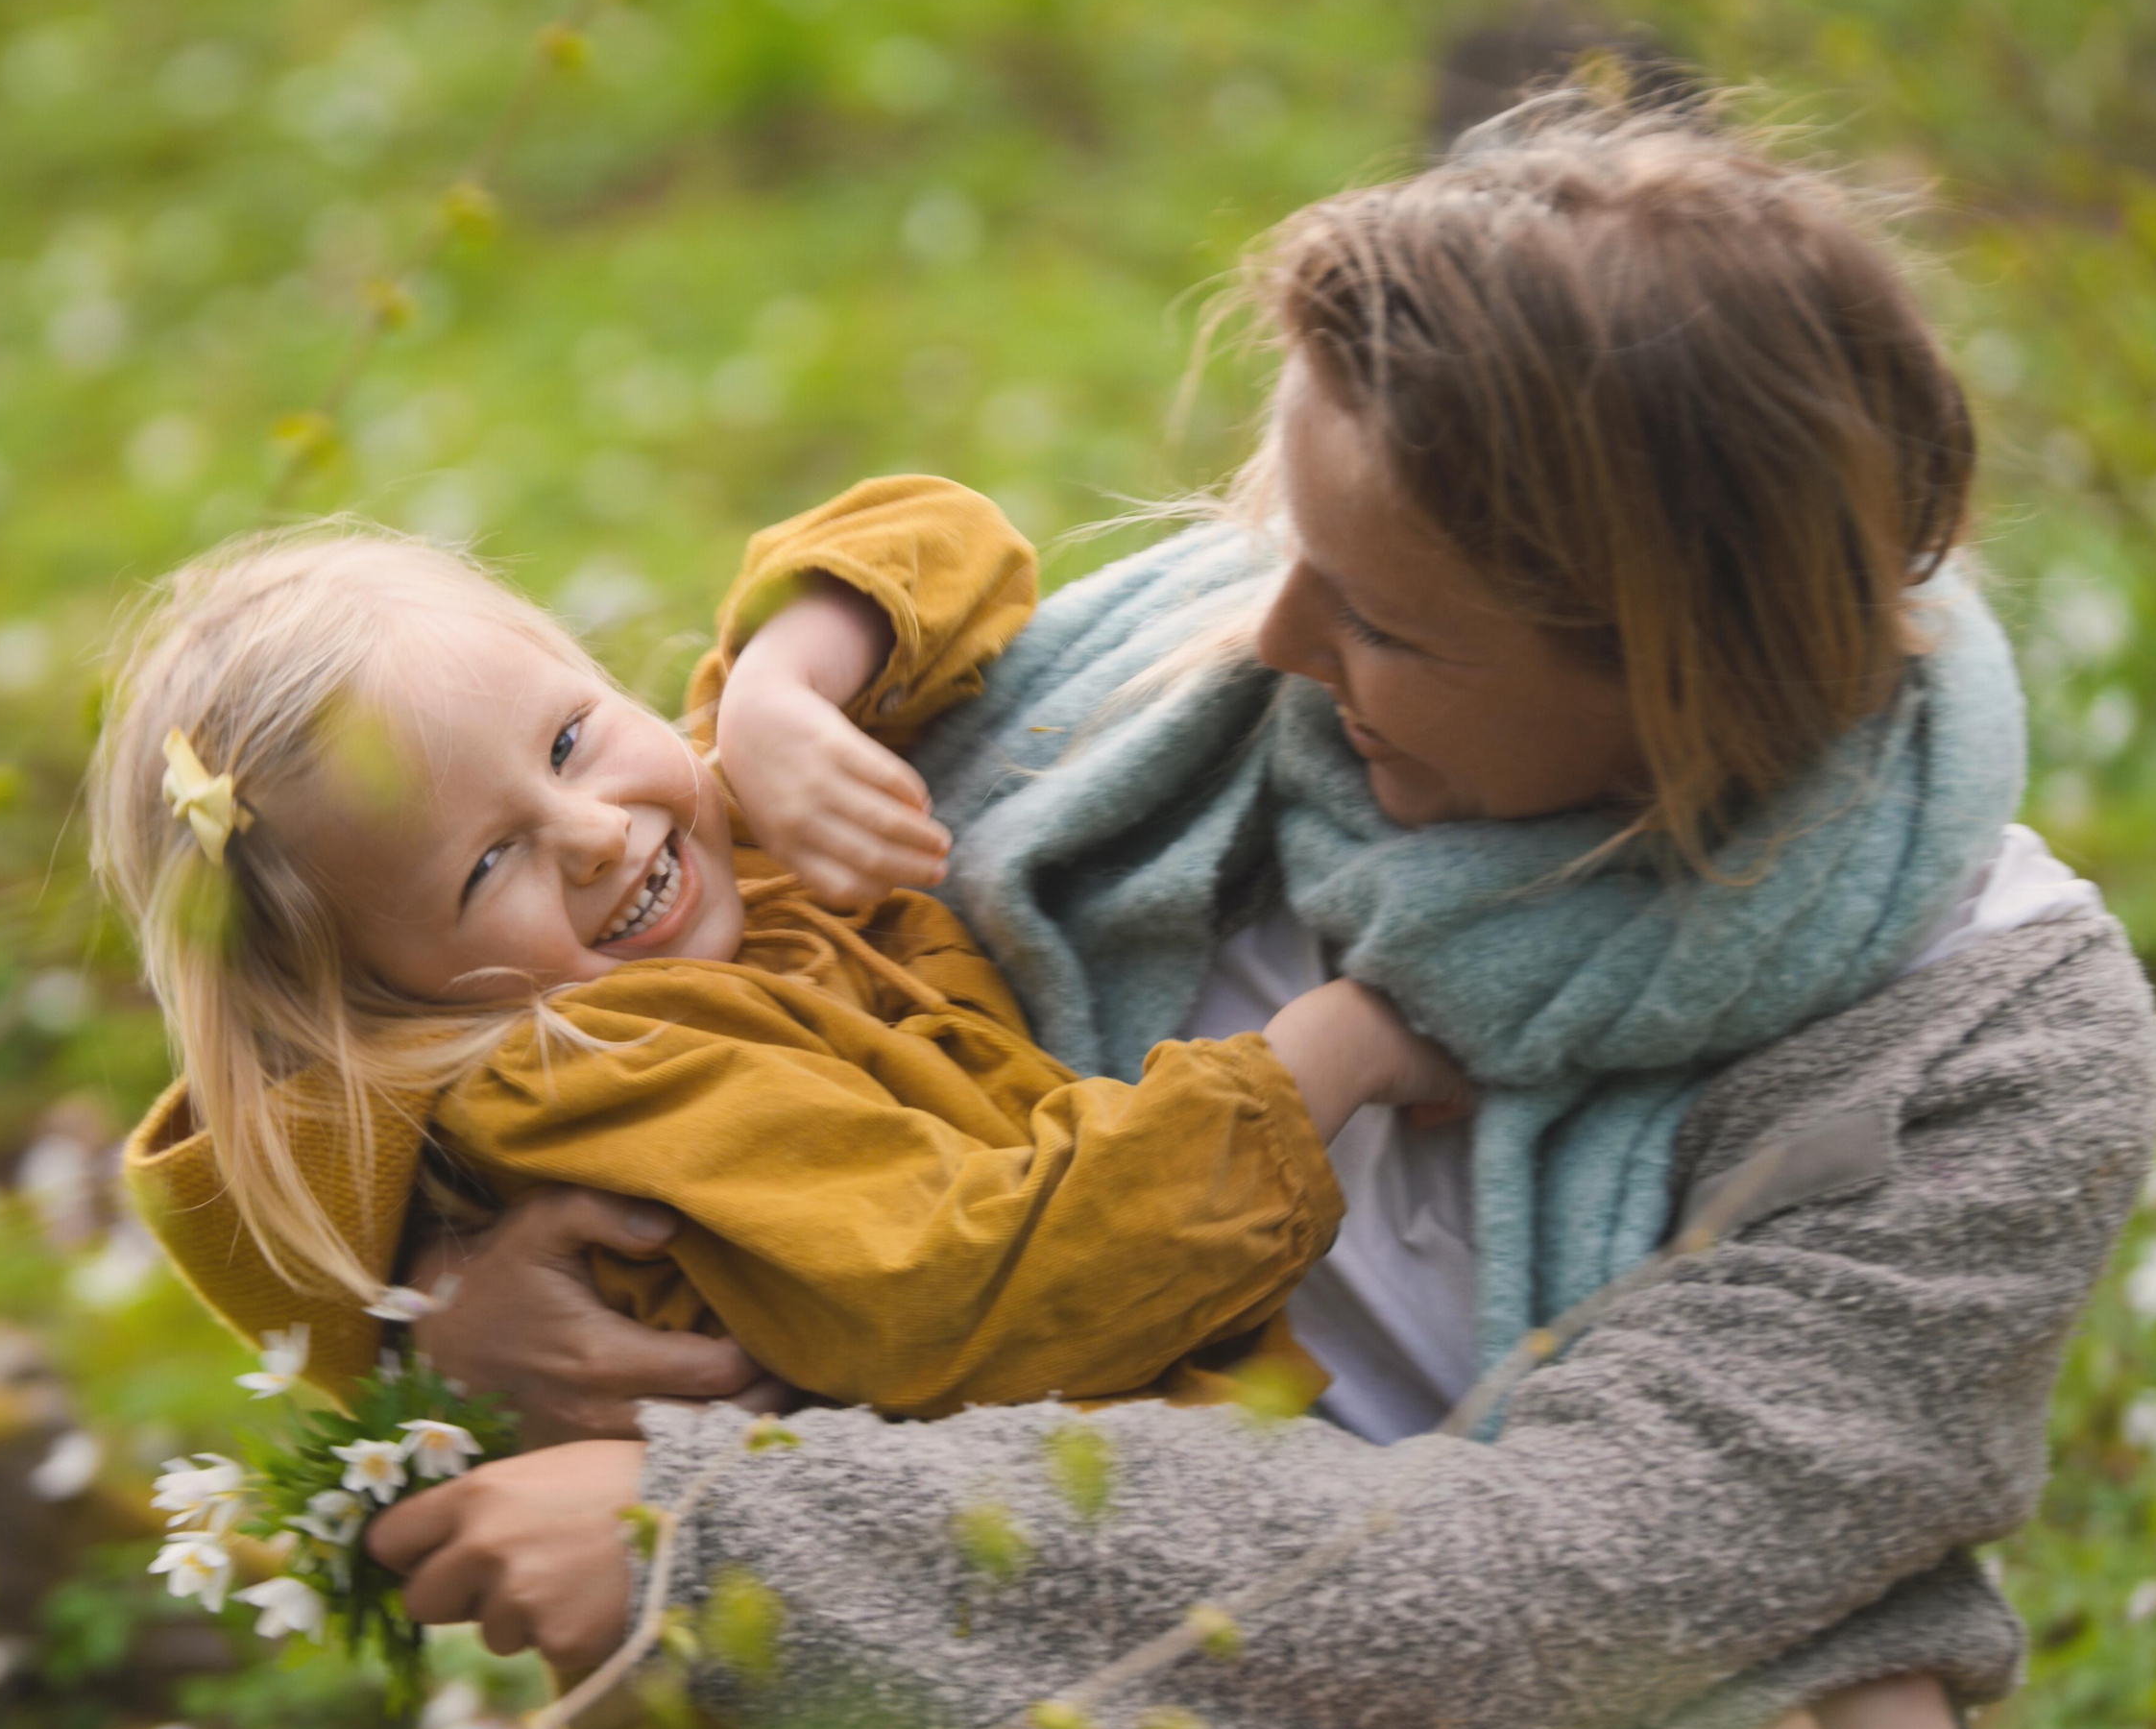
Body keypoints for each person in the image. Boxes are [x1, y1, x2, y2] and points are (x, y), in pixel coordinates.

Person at [364, 98, 2156, 1729]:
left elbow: (1568, 1576)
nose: (1273, 635)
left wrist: (733, 1531)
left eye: (1382, 617)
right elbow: (430, 996)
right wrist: (448, 1310)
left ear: (1681, 678)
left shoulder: (1982, 1034)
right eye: (1280, 538)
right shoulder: (1123, 750)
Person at [96, 479, 1470, 1417]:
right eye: (483, 866)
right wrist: (1324, 1056)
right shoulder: (593, 1072)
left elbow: (943, 533)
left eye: (571, 735)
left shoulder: (711, 817)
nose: (588, 831)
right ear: (390, 1002)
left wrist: (776, 683)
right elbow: (965, 1289)